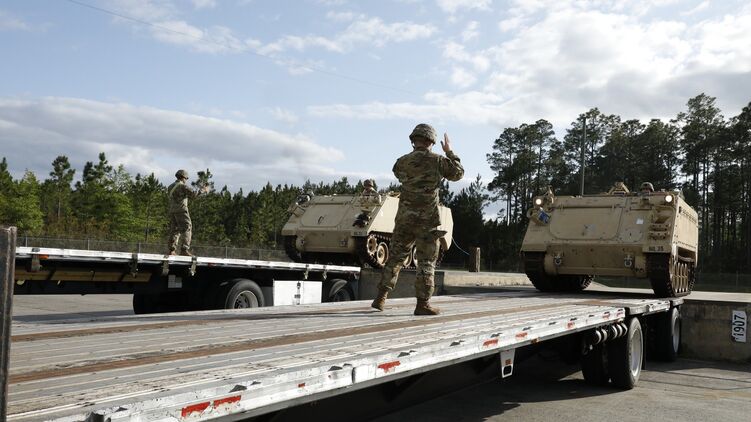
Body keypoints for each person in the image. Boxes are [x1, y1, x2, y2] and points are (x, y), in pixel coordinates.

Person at [371, 123, 464, 315]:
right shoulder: (438, 161)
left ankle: (381, 297)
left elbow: (398, 173)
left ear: (413, 140)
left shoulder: (402, 162)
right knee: (426, 262)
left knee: (395, 258)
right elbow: (458, 173)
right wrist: (449, 152)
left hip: (404, 219)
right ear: (431, 141)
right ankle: (423, 304)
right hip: (427, 221)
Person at [167, 169, 208, 256]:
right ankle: (184, 249)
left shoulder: (170, 186)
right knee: (187, 227)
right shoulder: (182, 186)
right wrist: (203, 190)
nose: (186, 180)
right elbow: (194, 195)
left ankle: (171, 250)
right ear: (183, 177)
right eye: (186, 178)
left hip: (172, 210)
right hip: (181, 210)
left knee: (175, 230)